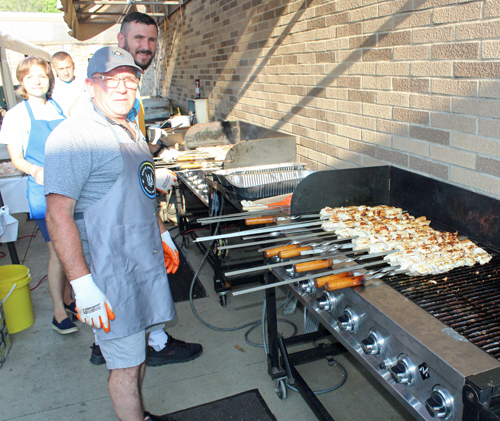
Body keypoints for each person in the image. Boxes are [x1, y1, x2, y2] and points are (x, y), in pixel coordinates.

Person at [44, 46, 187, 421]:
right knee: (123, 367)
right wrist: (82, 285)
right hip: (109, 276)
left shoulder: (128, 127)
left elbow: (139, 193)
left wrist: (162, 234)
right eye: (111, 80)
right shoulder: (74, 136)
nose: (122, 88)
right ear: (91, 84)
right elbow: (58, 216)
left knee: (138, 352)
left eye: (130, 79)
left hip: (141, 261)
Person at [83, 11, 195, 368]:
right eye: (138, 39)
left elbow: (131, 148)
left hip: (134, 216)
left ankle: (149, 340)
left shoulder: (133, 92)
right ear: (121, 40)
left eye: (151, 40)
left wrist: (151, 170)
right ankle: (126, 346)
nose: (145, 46)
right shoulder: (101, 88)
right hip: (111, 222)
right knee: (122, 291)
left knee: (143, 287)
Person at [0, 57, 77, 334]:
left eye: (42, 76)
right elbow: (16, 158)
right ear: (21, 82)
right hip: (43, 191)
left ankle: (69, 300)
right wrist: (34, 170)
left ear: (49, 80)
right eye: (30, 77)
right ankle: (58, 312)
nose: (37, 81)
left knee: (73, 247)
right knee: (59, 251)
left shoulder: (58, 107)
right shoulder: (16, 116)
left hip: (69, 186)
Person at [51, 51, 86, 116]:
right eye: (61, 69)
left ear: (73, 65)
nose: (66, 73)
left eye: (68, 67)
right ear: (54, 69)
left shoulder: (85, 85)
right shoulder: (50, 87)